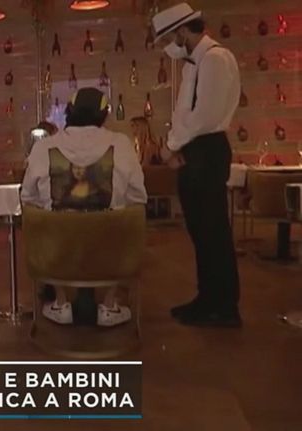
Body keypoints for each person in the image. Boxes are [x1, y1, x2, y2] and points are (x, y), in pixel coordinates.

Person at [21, 87, 147, 327]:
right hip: (109, 252)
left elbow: (28, 196)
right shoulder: (121, 144)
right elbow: (138, 196)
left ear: (69, 111)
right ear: (104, 115)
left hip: (57, 253)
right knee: (126, 218)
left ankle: (60, 302)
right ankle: (109, 304)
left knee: (45, 220)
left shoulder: (43, 147)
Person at [153, 3, 242, 327]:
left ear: (181, 31)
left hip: (207, 150)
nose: (169, 46)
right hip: (196, 150)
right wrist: (176, 145)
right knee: (201, 232)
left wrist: (170, 148)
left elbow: (203, 116)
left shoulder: (215, 59)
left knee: (213, 232)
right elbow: (185, 113)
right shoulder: (196, 61)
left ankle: (224, 307)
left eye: (169, 38)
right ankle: (207, 299)